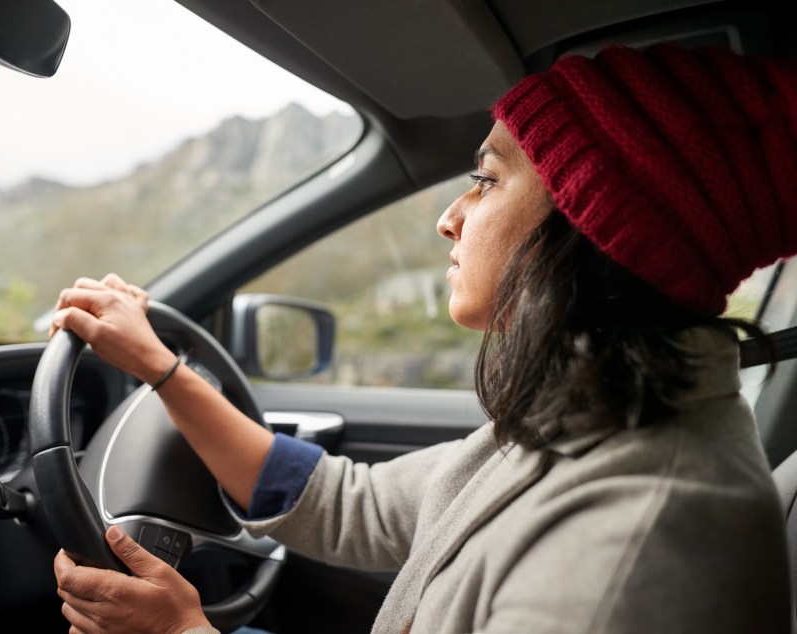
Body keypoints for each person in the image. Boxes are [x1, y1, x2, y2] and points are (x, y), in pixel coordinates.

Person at [50, 43, 797, 634]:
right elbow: (349, 504)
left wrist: (179, 631)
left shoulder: (637, 544)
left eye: (488, 179)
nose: (451, 216)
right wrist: (160, 368)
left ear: (595, 228)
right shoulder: (588, 410)